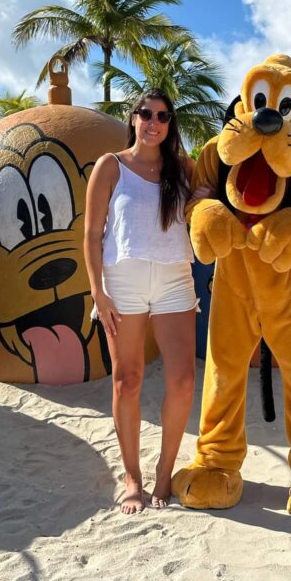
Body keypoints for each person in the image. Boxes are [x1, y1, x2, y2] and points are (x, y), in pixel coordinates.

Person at [84, 89, 200, 514]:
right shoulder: (111, 166)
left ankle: (164, 472)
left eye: (164, 116)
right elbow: (92, 233)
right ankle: (132, 476)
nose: (154, 122)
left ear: (171, 124)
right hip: (123, 281)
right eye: (146, 114)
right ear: (132, 118)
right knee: (126, 380)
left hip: (173, 279)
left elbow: (214, 206)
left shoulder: (184, 169)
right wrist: (98, 291)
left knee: (184, 382)